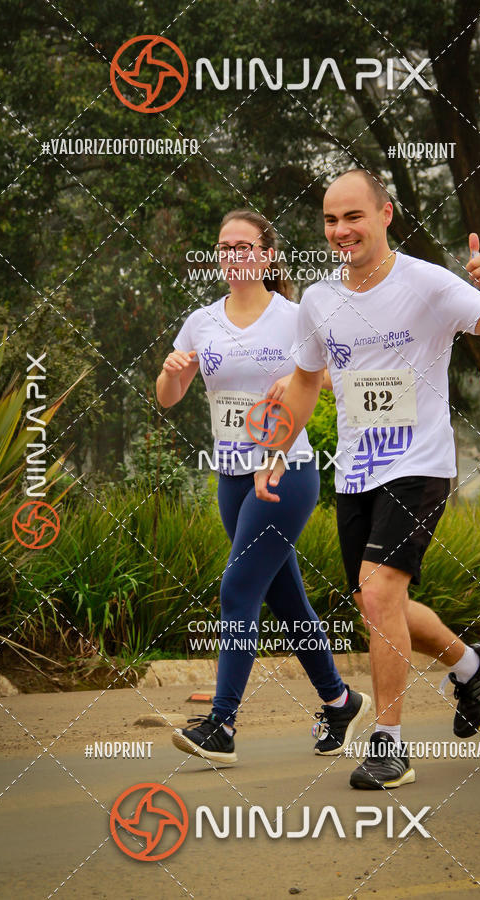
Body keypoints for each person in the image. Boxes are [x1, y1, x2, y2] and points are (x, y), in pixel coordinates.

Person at [255, 170, 480, 789]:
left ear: (385, 215)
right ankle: (470, 663)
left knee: (377, 596)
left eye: (354, 216)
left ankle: (389, 743)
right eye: (330, 220)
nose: (341, 230)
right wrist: (277, 450)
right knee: (381, 603)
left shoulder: (427, 284)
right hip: (357, 470)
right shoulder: (320, 301)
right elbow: (303, 381)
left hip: (421, 465)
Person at [156, 208, 371, 765]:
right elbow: (168, 396)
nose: (233, 254)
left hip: (286, 473)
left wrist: (297, 378)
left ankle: (222, 724)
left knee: (237, 588)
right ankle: (340, 700)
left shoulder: (295, 316)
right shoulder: (202, 321)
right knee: (286, 599)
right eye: (225, 246)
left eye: (244, 245)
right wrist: (174, 372)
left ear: (267, 255)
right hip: (231, 478)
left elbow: (336, 372)